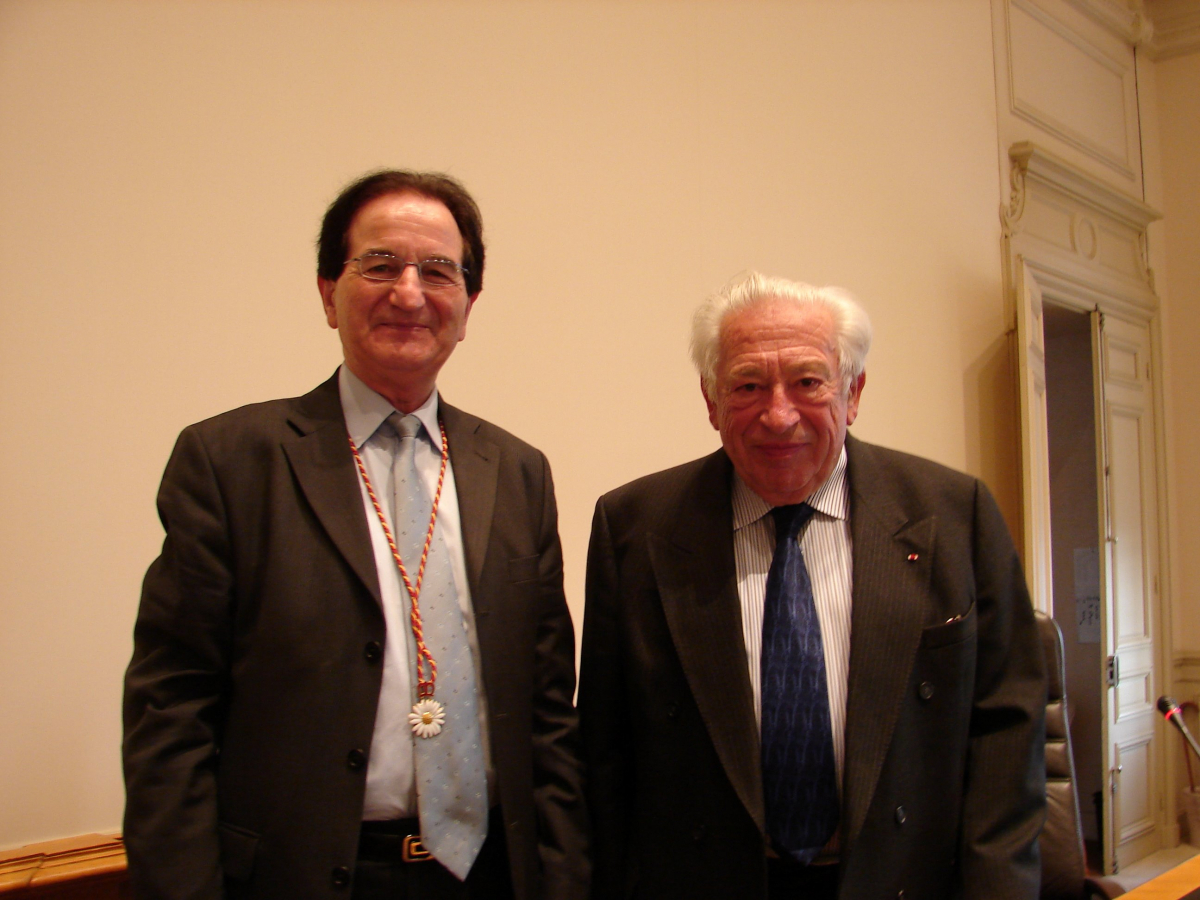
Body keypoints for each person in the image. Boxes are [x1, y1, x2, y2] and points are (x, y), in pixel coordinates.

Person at [123, 170, 589, 900]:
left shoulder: (519, 471)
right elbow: (171, 712)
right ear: (326, 292)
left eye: (438, 271)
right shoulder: (232, 462)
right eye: (380, 265)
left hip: (491, 873)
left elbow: (547, 714)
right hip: (307, 876)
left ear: (468, 306)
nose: (409, 292)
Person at [579, 271, 1045, 900]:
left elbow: (1006, 735)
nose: (779, 415)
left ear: (852, 393)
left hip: (903, 880)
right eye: (747, 385)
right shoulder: (633, 528)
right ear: (711, 400)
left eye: (807, 382)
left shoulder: (955, 515)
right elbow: (607, 754)